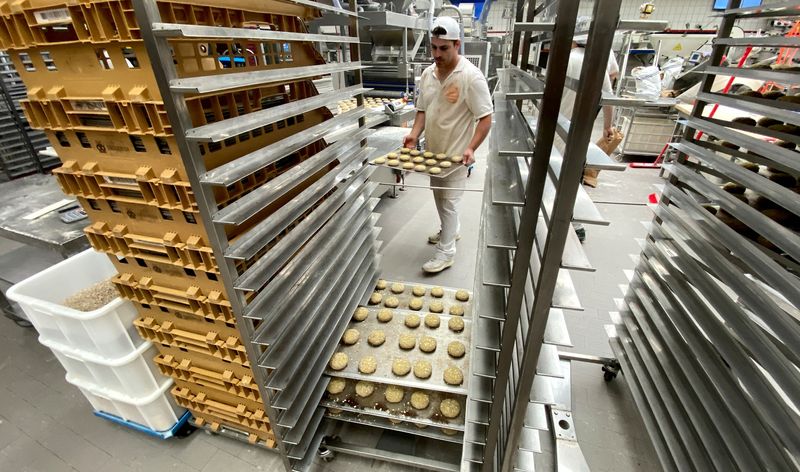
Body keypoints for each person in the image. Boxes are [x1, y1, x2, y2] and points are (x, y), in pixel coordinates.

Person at [403, 16, 493, 274]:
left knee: (449, 202)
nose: (437, 53)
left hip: (455, 155)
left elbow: (486, 118)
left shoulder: (471, 77)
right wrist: (413, 135)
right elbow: (422, 110)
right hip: (433, 152)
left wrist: (471, 148)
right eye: (434, 47)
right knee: (439, 196)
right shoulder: (427, 74)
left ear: (457, 45)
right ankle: (449, 231)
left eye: (444, 48)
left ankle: (446, 252)